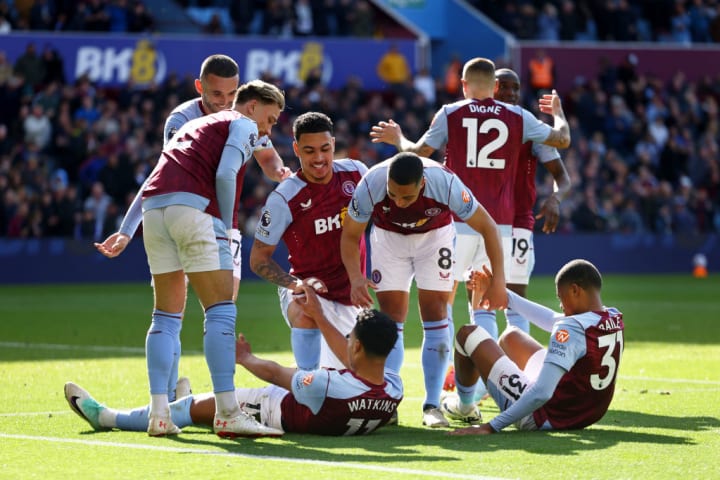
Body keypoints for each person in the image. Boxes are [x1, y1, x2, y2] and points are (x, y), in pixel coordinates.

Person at [93, 80, 286, 438]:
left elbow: (154, 175)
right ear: (253, 105)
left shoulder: (193, 125)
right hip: (195, 211)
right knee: (221, 309)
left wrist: (126, 228)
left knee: (165, 316)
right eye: (270, 119)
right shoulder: (241, 122)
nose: (267, 129)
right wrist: (227, 230)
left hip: (155, 211)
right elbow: (227, 173)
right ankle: (228, 412)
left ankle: (159, 414)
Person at [370, 57, 570, 402]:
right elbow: (563, 140)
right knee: (486, 304)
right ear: (495, 87)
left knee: (441, 307)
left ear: (463, 85)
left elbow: (419, 154)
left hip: (456, 221)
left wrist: (399, 138)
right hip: (500, 225)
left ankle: (449, 388)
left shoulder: (450, 112)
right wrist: (559, 112)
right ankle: (491, 386)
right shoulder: (520, 117)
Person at [64, 284, 403, 436]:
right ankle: (177, 399)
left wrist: (245, 357)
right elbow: (352, 361)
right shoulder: (393, 389)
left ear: (356, 347)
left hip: (271, 410)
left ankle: (109, 418)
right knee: (194, 404)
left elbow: (277, 374)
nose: (346, 343)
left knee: (187, 409)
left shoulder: (331, 385)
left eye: (350, 340)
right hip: (318, 414)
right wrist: (321, 316)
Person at [340, 151, 507, 428]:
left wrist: (499, 280)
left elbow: (488, 227)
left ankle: (431, 405)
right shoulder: (371, 184)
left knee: (436, 311)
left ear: (423, 185)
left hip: (435, 237)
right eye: (393, 195)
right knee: (391, 317)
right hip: (388, 239)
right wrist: (356, 277)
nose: (399, 202)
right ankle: (388, 401)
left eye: (407, 197)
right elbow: (350, 234)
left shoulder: (446, 183)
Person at [441, 259, 624, 434]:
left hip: (544, 415)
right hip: (585, 413)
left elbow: (542, 393)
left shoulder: (571, 327)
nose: (561, 305)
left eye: (561, 297)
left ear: (575, 290)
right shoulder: (613, 317)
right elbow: (553, 320)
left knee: (467, 333)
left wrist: (490, 426)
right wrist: (504, 295)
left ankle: (464, 407)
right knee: (511, 336)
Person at [249, 111, 368, 371]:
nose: (318, 158)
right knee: (305, 312)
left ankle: (295, 385)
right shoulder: (284, 198)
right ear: (296, 149)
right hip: (309, 288)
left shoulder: (357, 173)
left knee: (361, 382)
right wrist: (294, 285)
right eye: (309, 151)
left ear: (334, 145)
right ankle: (306, 385)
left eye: (325, 149)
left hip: (351, 298)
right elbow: (258, 260)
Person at [495, 68, 571, 334]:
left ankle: (518, 373)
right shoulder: (471, 122)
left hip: (518, 222)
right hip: (480, 221)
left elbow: (563, 178)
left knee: (516, 303)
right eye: (503, 86)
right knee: (480, 302)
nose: (510, 93)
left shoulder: (529, 127)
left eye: (515, 88)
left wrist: (555, 198)